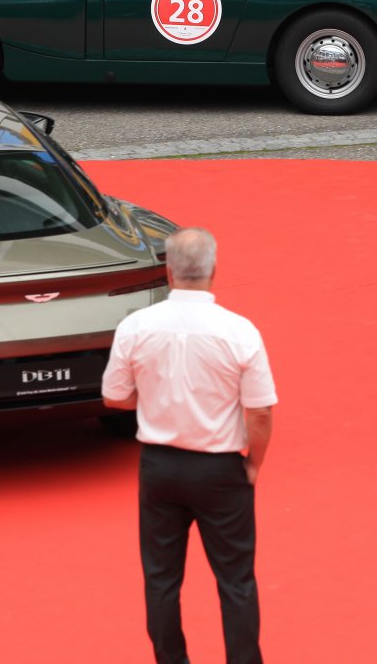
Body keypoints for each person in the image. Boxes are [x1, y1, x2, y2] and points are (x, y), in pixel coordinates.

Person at [100, 227, 277, 664]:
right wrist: (254, 465)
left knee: (161, 579)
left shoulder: (135, 326)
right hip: (220, 470)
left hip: (158, 467)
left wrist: (154, 399)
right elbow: (259, 412)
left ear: (168, 272)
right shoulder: (239, 331)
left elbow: (114, 397)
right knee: (236, 581)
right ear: (214, 269)